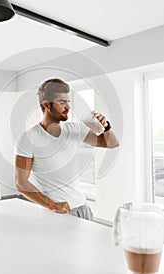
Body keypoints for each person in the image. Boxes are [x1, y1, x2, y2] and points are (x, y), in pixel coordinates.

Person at [14, 78, 119, 220]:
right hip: (56, 213)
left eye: (68, 102)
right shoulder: (29, 138)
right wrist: (52, 205)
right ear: (46, 105)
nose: (68, 107)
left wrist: (106, 127)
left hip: (82, 207)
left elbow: (112, 143)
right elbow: (21, 183)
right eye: (62, 102)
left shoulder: (74, 129)